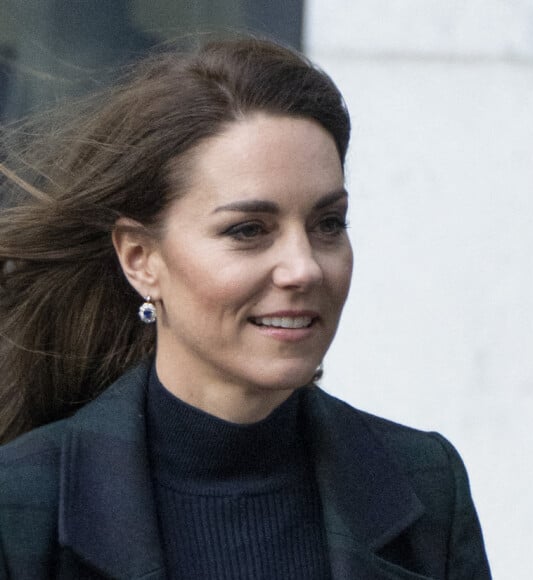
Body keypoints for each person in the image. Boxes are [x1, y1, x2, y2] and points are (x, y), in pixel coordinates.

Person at [0, 37, 491, 579]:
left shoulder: (423, 484)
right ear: (141, 259)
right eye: (248, 230)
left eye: (328, 224)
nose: (303, 267)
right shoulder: (25, 507)